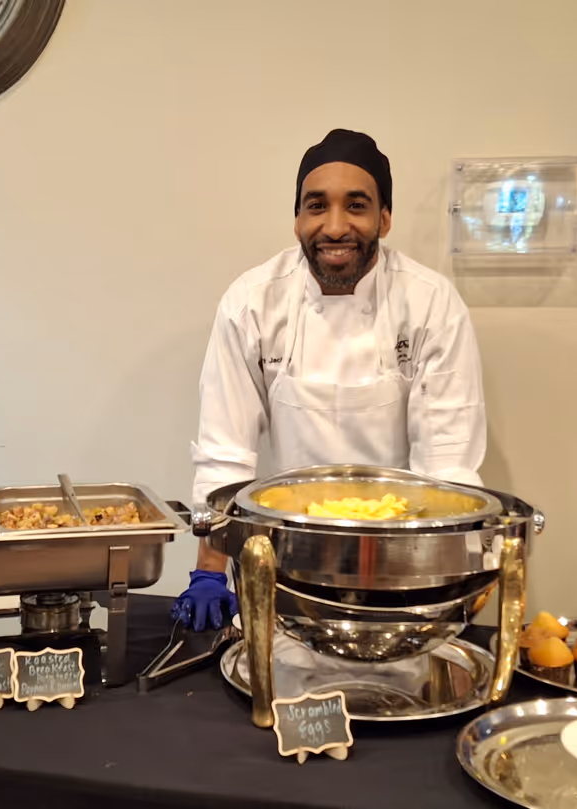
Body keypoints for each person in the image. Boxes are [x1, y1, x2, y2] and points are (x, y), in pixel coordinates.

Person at [172, 129, 487, 632]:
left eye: (356, 206)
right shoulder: (253, 301)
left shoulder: (431, 304)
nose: (335, 226)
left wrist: (447, 583)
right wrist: (209, 571)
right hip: (284, 567)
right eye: (316, 206)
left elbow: (447, 464)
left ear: (384, 218)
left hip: (402, 565)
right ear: (298, 218)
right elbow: (224, 452)